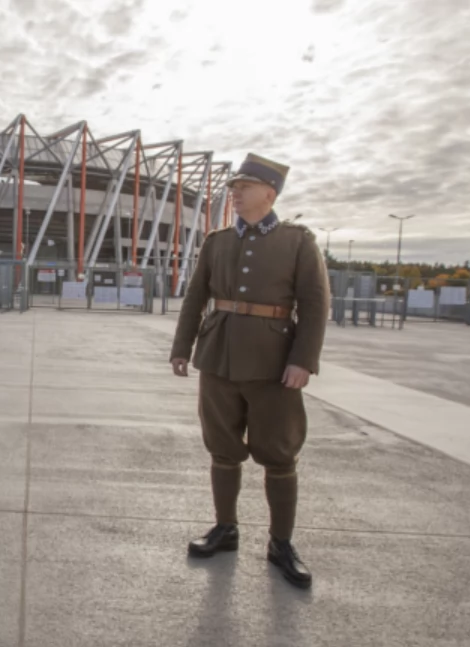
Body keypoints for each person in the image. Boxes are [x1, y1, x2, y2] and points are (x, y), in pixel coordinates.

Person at [169, 153, 330, 589]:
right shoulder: (217, 241)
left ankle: (281, 543)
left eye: (245, 186)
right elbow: (195, 297)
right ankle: (225, 529)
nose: (234, 192)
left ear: (269, 193)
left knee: (278, 453)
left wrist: (303, 360)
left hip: (275, 364)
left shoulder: (297, 241)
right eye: (234, 186)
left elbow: (315, 305)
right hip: (218, 357)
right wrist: (182, 347)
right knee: (222, 448)